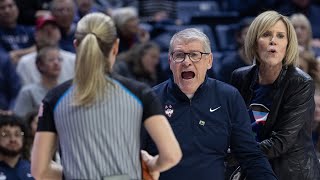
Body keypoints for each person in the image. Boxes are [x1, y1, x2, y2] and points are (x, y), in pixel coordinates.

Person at [31, 12, 181, 180]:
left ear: (76, 45)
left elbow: (40, 170)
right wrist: (150, 166)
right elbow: (171, 156)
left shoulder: (54, 98)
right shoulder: (140, 93)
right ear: (116, 46)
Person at [143, 28, 277, 180]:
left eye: (195, 55)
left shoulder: (229, 97)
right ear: (170, 62)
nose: (187, 62)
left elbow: (250, 154)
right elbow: (133, 155)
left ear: (209, 61)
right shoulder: (151, 99)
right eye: (179, 55)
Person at [230, 11, 320, 180]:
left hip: (290, 172)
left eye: (280, 36)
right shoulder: (240, 77)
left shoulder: (300, 83)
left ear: (287, 44)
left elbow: (280, 142)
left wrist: (235, 155)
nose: (273, 41)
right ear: (254, 42)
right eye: (266, 34)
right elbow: (233, 127)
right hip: (253, 167)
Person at [14, 45, 62, 118]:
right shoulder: (28, 92)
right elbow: (20, 119)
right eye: (51, 60)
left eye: (59, 59)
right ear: (40, 65)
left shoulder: (66, 90)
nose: (56, 63)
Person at [0, 114, 34, 180]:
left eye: (17, 134)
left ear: (23, 138)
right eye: (5, 134)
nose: (13, 139)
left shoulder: (34, 169)